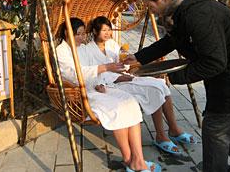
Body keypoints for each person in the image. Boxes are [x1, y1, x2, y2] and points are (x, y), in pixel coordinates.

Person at [124, 0, 230, 172]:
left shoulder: (198, 14)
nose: (150, 11)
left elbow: (214, 62)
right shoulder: (183, 10)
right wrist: (139, 57)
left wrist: (172, 77)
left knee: (215, 130)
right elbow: (171, 41)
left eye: (150, 6)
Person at [56, 18, 161, 172]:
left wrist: (100, 82)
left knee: (130, 102)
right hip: (80, 93)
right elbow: (72, 75)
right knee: (117, 108)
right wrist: (104, 68)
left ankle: (137, 159)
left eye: (83, 34)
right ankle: (128, 159)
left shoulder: (82, 48)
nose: (82, 37)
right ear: (67, 33)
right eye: (78, 34)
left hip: (97, 87)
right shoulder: (61, 51)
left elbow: (92, 70)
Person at [81, 16, 196, 155]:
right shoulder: (87, 50)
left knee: (160, 85)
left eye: (109, 30)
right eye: (104, 30)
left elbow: (123, 64)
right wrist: (116, 77)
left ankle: (173, 128)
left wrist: (128, 61)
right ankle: (161, 136)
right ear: (94, 31)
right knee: (153, 89)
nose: (108, 33)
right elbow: (92, 73)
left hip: (125, 77)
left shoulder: (112, 44)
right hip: (110, 84)